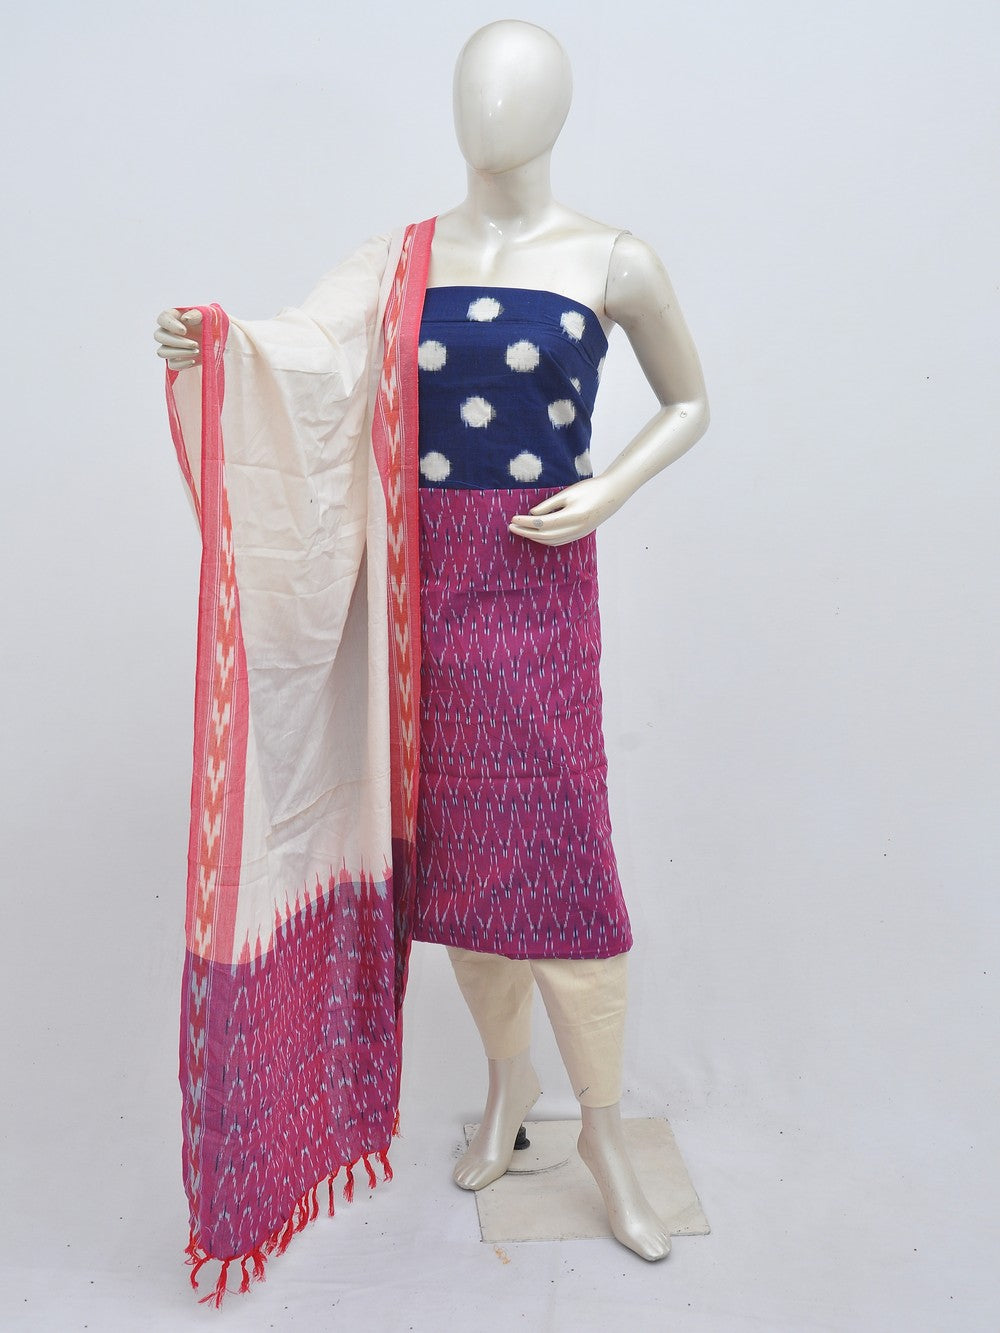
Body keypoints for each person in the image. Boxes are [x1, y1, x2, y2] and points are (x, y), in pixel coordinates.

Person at [155, 19, 709, 1267]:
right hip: (418, 601)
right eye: (474, 88)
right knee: (460, 871)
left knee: (564, 868)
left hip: (538, 586)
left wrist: (608, 488)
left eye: (513, 91)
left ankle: (605, 1138)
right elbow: (306, 354)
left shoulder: (611, 258)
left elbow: (690, 400)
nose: (489, 111)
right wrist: (218, 343)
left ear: (556, 109)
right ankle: (511, 1089)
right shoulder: (400, 259)